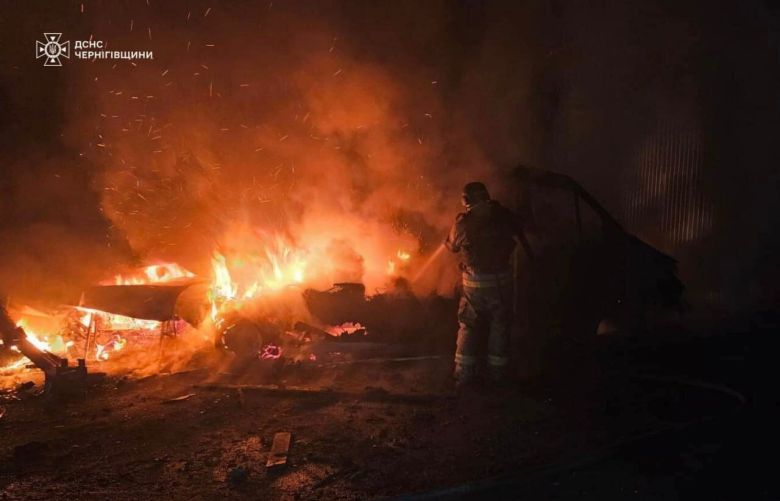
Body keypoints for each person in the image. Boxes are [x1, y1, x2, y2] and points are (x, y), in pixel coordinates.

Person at [444, 181, 532, 387]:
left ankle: (464, 375)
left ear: (466, 200)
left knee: (469, 326)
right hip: (501, 284)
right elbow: (520, 228)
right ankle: (497, 374)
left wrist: (448, 240)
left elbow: (452, 246)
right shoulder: (503, 216)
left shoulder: (464, 222)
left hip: (473, 286)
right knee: (500, 326)